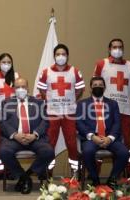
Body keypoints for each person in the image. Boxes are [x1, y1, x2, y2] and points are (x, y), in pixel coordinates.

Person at [93, 38, 130, 181]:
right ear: (109, 49)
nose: (117, 49)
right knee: (102, 141)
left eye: (120, 47)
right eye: (114, 47)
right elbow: (96, 85)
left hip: (125, 110)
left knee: (125, 143)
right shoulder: (101, 64)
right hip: (105, 111)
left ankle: (128, 172)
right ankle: (94, 173)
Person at [0, 77, 55, 194]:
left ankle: (26, 176)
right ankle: (23, 177)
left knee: (48, 152)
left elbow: (45, 121)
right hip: (15, 139)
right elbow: (2, 122)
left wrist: (34, 135)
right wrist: (15, 135)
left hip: (34, 139)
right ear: (14, 89)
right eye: (18, 87)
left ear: (28, 88)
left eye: (23, 87)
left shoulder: (38, 103)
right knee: (4, 151)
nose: (20, 89)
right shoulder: (6, 103)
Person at [37, 44, 85, 174]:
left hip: (69, 113)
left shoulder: (74, 71)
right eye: (58, 54)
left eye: (63, 54)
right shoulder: (46, 72)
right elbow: (42, 89)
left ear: (67, 56)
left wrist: (71, 99)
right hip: (52, 112)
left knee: (72, 143)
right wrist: (49, 100)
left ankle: (75, 172)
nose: (61, 56)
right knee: (50, 142)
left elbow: (80, 89)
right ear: (54, 56)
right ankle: (48, 172)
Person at [76, 76, 130, 188]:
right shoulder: (82, 104)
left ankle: (112, 179)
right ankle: (95, 180)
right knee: (87, 151)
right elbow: (79, 123)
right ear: (91, 88)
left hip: (109, 138)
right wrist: (92, 137)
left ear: (104, 87)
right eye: (95, 85)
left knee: (125, 153)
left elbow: (117, 123)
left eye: (100, 85)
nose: (98, 87)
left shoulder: (113, 104)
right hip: (91, 138)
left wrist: (109, 138)